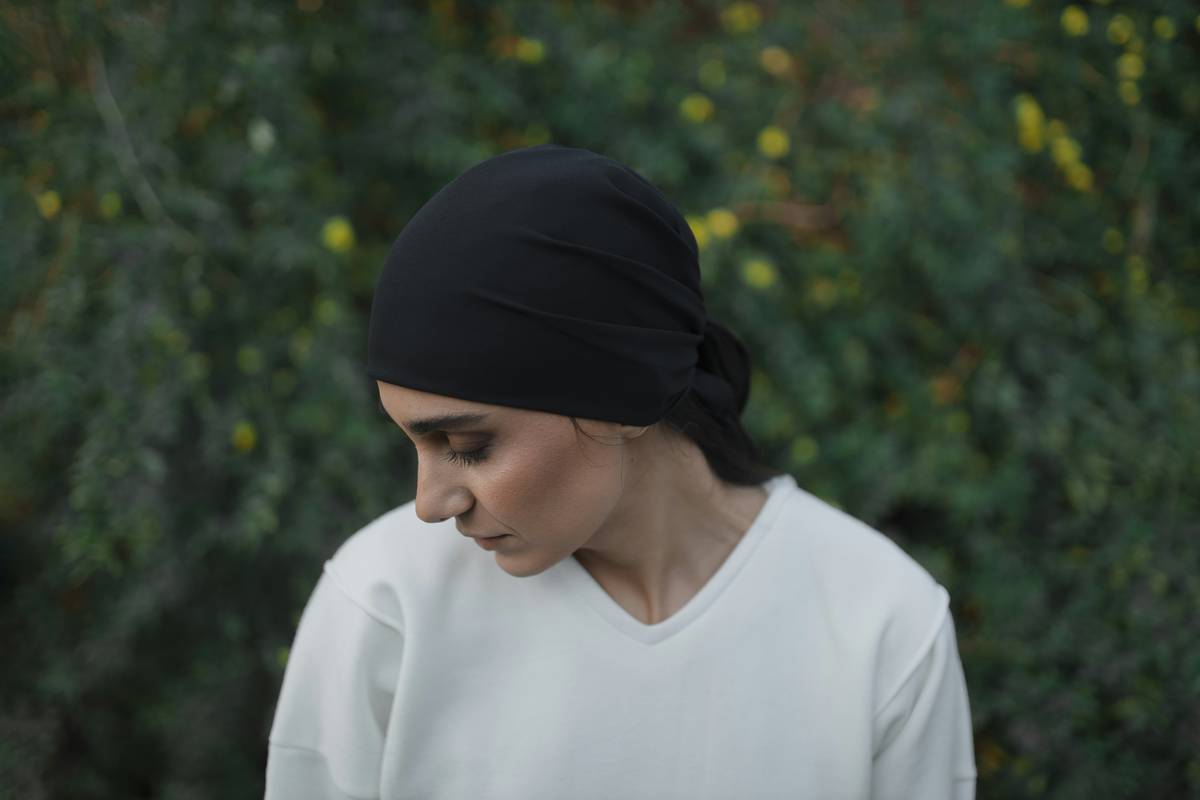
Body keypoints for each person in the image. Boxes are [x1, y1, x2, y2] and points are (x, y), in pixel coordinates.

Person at [264, 144, 977, 799]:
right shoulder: (387, 602)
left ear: (623, 396)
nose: (430, 504)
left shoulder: (880, 626)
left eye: (468, 445)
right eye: (413, 444)